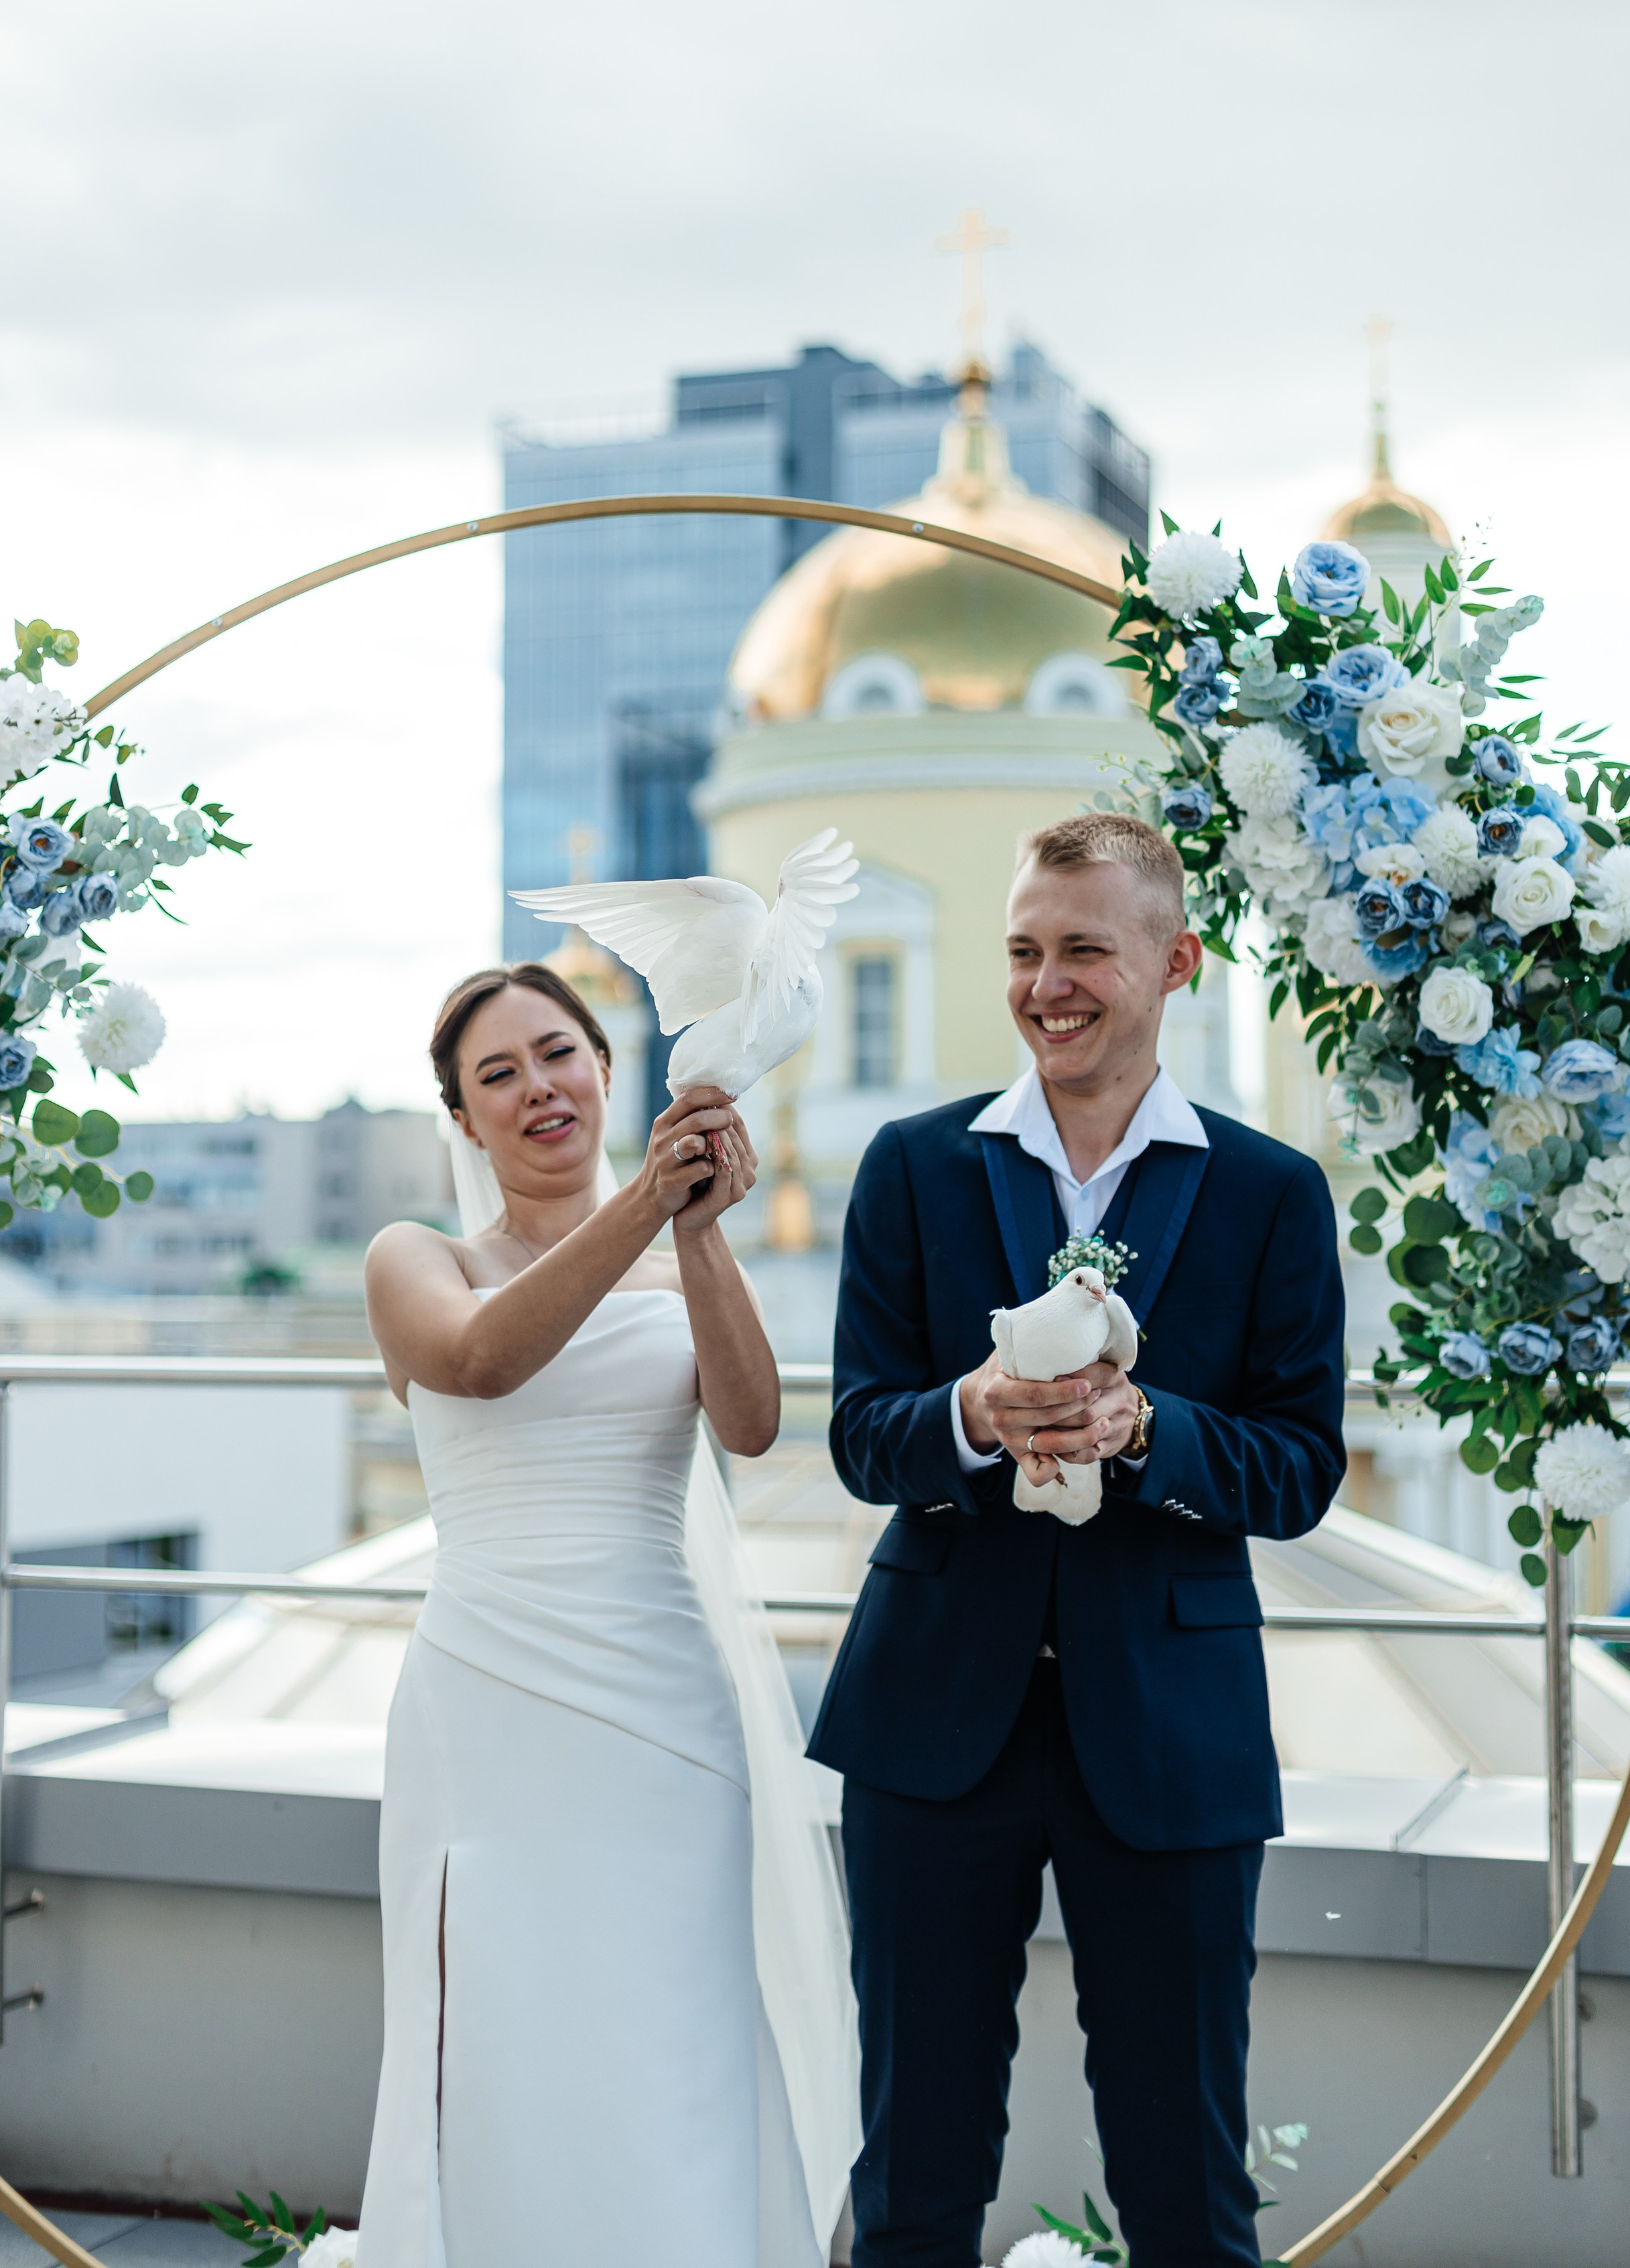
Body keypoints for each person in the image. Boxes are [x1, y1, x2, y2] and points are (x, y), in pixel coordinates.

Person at [809, 815, 1346, 2268]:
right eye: (1024, 952)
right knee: (913, 2178)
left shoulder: (1271, 1192)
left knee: (1187, 2189)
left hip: (1172, 1737)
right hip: (929, 1727)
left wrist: (1149, 1429)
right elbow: (859, 1433)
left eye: (1084, 951)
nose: (1046, 986)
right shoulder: (912, 1165)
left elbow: (1300, 1468)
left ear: (1174, 963)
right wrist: (971, 1414)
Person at [358, 961, 857, 2268]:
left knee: (670, 2038)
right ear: (463, 1121)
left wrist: (695, 1233)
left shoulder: (675, 1257)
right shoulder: (416, 1260)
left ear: (604, 1067)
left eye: (557, 1054)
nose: (538, 1088)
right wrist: (646, 1199)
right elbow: (478, 1361)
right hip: (487, 1704)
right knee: (500, 2040)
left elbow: (751, 1425)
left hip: (661, 1710)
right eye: (498, 1074)